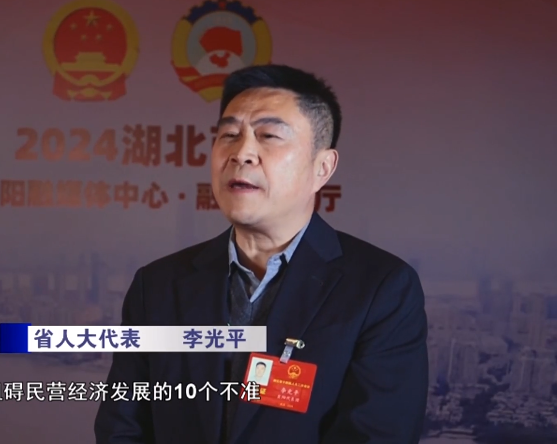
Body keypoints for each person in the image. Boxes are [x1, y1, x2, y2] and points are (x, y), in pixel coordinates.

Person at [94, 64, 428, 444]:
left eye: (268, 136)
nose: (242, 153)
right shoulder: (157, 286)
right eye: (229, 135)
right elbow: (123, 428)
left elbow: (376, 435)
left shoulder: (380, 289)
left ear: (322, 167)